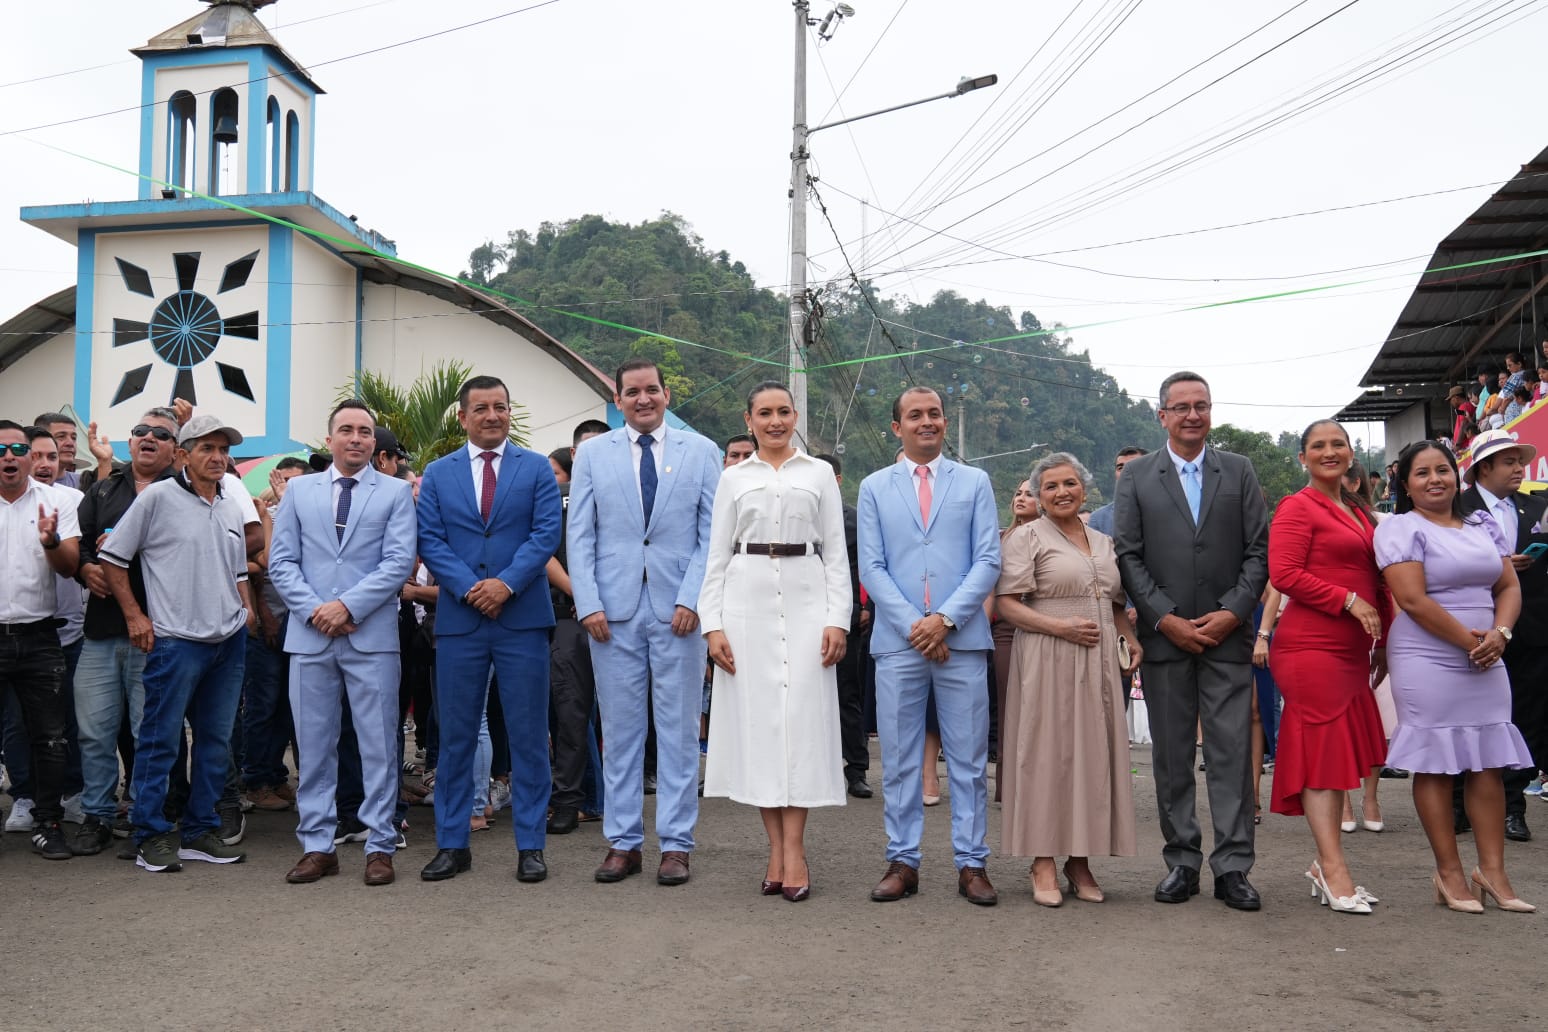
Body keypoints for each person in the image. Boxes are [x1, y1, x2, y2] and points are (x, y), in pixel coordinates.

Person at [1113, 371, 1269, 910]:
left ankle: (1233, 866)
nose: (1192, 415)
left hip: (1227, 637)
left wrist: (1232, 612)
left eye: (1201, 405)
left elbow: (1258, 551)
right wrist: (1164, 618)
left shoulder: (1239, 470)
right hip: (1166, 640)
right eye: (1180, 407)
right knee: (1172, 756)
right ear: (1162, 416)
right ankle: (1181, 860)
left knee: (1231, 753)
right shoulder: (1137, 476)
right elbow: (1128, 554)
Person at [568, 359, 720, 886]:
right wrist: (588, 603)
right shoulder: (593, 454)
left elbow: (711, 534)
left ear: (666, 394)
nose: (643, 399)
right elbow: (580, 534)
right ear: (618, 399)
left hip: (680, 611)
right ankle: (623, 842)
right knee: (620, 731)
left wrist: (693, 598)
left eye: (651, 390)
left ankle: (676, 845)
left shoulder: (701, 450)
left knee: (678, 732)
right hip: (612, 613)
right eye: (632, 392)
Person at [699, 382, 850, 901]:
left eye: (784, 411)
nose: (775, 421)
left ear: (795, 416)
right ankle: (775, 850)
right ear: (749, 420)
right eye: (765, 413)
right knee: (761, 729)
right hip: (747, 605)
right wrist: (712, 625)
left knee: (800, 727)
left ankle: (796, 849)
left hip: (809, 601)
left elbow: (836, 554)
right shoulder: (733, 478)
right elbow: (716, 556)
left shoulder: (818, 474)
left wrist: (838, 619)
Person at [1375, 440, 1534, 913]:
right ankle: (1449, 874)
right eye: (1422, 473)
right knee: (1436, 762)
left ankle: (1493, 873)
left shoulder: (1482, 524)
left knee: (1489, 762)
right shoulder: (1400, 528)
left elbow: (1508, 586)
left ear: (1457, 475)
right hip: (1428, 656)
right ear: (1405, 485)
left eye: (1442, 470)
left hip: (1488, 652)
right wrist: (1473, 643)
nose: (1435, 480)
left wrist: (1500, 634)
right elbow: (1412, 600)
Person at [415, 375, 562, 883]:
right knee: (456, 737)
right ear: (463, 417)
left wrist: (506, 584)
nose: (492, 415)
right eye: (481, 408)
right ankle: (452, 844)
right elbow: (430, 540)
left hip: (522, 618)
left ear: (509, 412)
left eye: (500, 406)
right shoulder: (439, 473)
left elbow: (546, 533)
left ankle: (531, 846)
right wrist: (469, 588)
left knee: (528, 735)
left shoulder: (535, 467)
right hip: (461, 621)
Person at [859, 386, 1002, 907]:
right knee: (899, 759)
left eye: (934, 414)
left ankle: (972, 863)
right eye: (915, 415)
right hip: (899, 644)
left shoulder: (974, 482)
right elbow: (871, 566)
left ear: (944, 422)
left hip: (961, 640)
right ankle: (903, 861)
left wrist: (944, 620)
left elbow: (988, 559)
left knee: (968, 759)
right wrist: (915, 627)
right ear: (896, 427)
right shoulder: (875, 487)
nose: (927, 422)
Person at [267, 400, 417, 886]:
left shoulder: (395, 492)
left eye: (365, 431)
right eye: (347, 430)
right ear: (329, 439)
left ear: (374, 442)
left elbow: (398, 562)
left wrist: (347, 607)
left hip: (370, 636)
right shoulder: (299, 491)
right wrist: (317, 610)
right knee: (313, 747)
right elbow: (281, 561)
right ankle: (317, 845)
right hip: (310, 635)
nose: (357, 438)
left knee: (379, 745)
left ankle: (380, 844)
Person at [98, 414, 253, 873]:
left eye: (223, 449)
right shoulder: (158, 497)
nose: (218, 457)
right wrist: (134, 615)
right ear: (183, 455)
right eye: (207, 448)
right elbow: (112, 556)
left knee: (215, 742)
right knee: (160, 742)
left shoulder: (229, 502)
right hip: (175, 642)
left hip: (228, 642)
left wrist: (246, 611)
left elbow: (238, 570)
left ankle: (200, 829)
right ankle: (149, 833)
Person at [995, 453, 1140, 906]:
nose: (1062, 492)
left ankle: (1080, 860)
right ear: (1039, 496)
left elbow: (1114, 601)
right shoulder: (1026, 538)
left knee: (1093, 756)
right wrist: (1061, 628)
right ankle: (1042, 861)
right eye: (1051, 486)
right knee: (1045, 756)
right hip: (1047, 656)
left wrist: (1128, 637)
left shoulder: (1103, 540)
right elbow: (1007, 604)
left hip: (1098, 660)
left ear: (1084, 488)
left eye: (1070, 483)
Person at [1265, 420, 1388, 915]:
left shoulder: (1356, 510)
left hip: (1351, 650)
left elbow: (1376, 576)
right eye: (1318, 446)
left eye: (1338, 443)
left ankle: (1324, 864)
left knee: (1336, 762)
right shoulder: (1297, 506)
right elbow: (1284, 574)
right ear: (1303, 458)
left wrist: (1383, 638)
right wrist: (1349, 600)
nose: (1329, 451)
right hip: (1310, 647)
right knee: (1322, 758)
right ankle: (1334, 869)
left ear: (1351, 453)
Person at [1460, 428, 1548, 843]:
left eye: (1520, 461)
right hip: (1471, 629)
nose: (1519, 469)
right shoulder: (1456, 509)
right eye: (1509, 462)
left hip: (1531, 631)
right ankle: (1459, 804)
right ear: (1484, 468)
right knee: (1469, 719)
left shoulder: (1538, 507)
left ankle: (1513, 807)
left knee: (1523, 719)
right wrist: (1497, 563)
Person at [0, 419, 82, 860]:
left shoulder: (57, 501)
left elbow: (69, 567)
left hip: (39, 636)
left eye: (18, 449)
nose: (9, 457)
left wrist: (50, 540)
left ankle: (48, 823)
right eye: (1, 450)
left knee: (50, 737)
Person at [545, 418, 609, 834]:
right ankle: (568, 801)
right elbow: (544, 553)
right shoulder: (556, 497)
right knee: (569, 715)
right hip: (569, 618)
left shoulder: (628, 494)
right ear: (574, 454)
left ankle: (608, 800)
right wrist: (585, 598)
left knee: (622, 717)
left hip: (621, 617)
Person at [815, 451, 872, 799]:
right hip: (802, 613)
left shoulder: (856, 519)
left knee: (847, 693)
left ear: (837, 480)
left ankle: (857, 768)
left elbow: (869, 567)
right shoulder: (799, 513)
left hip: (847, 617)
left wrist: (865, 607)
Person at [992, 479, 1039, 802]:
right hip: (1006, 632)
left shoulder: (1052, 539)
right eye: (1018, 492)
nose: (1021, 498)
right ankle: (1008, 787)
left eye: (1029, 493)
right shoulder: (999, 539)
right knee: (1009, 708)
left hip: (1046, 629)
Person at [1086, 447, 1145, 537]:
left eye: (1133, 466)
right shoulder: (1099, 519)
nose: (1126, 471)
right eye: (1120, 468)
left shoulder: (1164, 512)